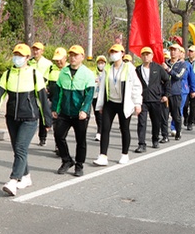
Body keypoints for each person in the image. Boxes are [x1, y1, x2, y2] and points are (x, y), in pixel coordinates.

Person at [0, 43, 51, 195]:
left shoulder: (35, 74)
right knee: (17, 148)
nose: (18, 58)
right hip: (11, 118)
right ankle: (26, 176)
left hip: (30, 118)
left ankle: (13, 180)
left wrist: (47, 121)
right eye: (16, 54)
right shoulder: (7, 74)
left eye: (21, 55)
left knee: (21, 148)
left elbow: (42, 99)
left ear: (28, 58)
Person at [93, 43, 142, 166]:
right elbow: (102, 87)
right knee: (105, 128)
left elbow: (136, 86)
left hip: (124, 103)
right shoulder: (107, 68)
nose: (113, 54)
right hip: (110, 103)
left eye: (116, 52)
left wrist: (137, 103)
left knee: (124, 128)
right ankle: (103, 155)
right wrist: (100, 105)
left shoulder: (129, 68)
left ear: (122, 54)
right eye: (111, 52)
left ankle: (125, 154)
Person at [52, 45, 96, 177]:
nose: (73, 58)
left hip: (80, 114)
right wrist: (55, 108)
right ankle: (66, 160)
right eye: (71, 55)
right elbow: (58, 92)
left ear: (82, 57)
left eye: (76, 55)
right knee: (58, 136)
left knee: (80, 140)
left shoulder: (87, 73)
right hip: (65, 112)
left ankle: (79, 165)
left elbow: (89, 95)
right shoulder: (63, 72)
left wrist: (84, 110)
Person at [135, 46, 170, 152]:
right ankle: (141, 144)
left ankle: (155, 139)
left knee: (156, 121)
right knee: (142, 122)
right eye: (144, 55)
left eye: (148, 54)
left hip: (156, 99)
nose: (146, 57)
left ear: (152, 56)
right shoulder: (137, 70)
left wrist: (166, 95)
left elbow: (167, 80)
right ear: (141, 56)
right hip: (142, 100)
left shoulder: (158, 68)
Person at [165, 44, 195, 141]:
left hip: (181, 91)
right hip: (168, 92)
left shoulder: (185, 65)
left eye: (177, 51)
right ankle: (164, 133)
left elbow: (191, 78)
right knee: (165, 113)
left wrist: (193, 89)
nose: (173, 52)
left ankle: (175, 128)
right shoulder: (166, 63)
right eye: (171, 50)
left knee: (178, 111)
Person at [31, 42, 52, 146]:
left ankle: (42, 137)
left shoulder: (48, 63)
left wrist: (47, 88)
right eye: (34, 49)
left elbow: (49, 77)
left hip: (43, 91)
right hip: (30, 91)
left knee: (43, 113)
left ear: (42, 51)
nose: (35, 51)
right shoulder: (29, 62)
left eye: (38, 49)